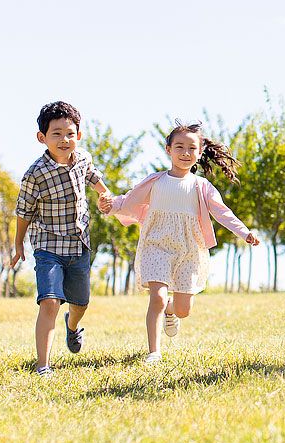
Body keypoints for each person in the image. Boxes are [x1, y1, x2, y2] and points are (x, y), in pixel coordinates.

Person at [104, 122, 260, 363]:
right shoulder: (156, 181)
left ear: (199, 153)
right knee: (156, 296)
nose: (185, 153)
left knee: (183, 309)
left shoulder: (201, 186)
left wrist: (244, 232)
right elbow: (130, 199)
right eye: (179, 147)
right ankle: (153, 352)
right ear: (168, 149)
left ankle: (171, 309)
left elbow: (222, 212)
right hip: (156, 244)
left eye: (191, 148)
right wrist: (111, 205)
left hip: (189, 249)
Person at [12, 101, 112, 377]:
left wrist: (106, 196)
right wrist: (19, 243)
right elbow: (23, 211)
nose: (64, 139)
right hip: (47, 244)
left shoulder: (83, 158)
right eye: (56, 134)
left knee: (81, 303)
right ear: (42, 138)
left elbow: (94, 178)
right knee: (50, 300)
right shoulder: (35, 174)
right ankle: (43, 365)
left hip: (79, 243)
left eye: (70, 133)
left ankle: (72, 325)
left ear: (78, 135)